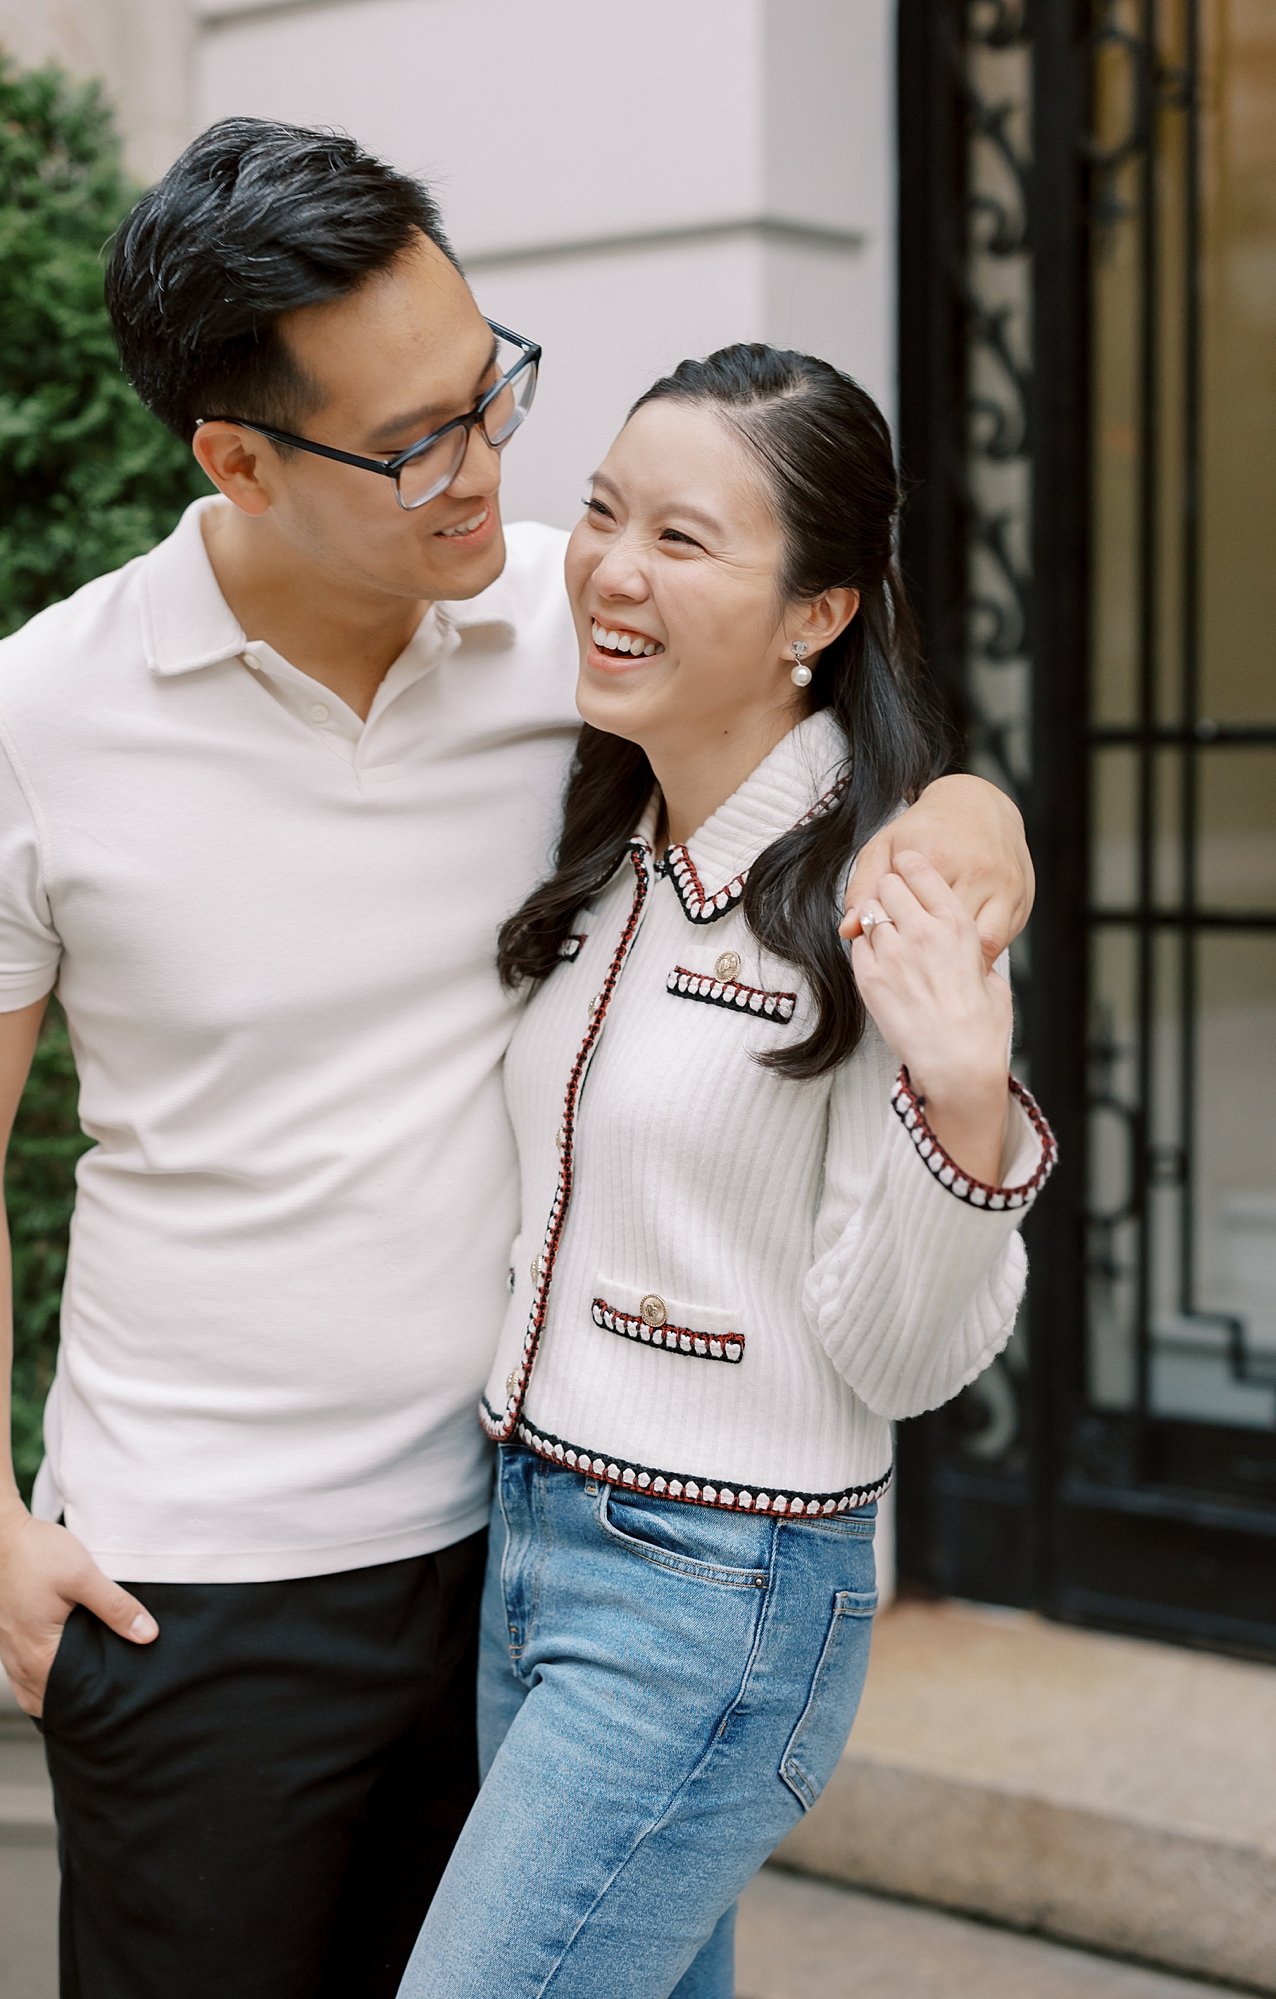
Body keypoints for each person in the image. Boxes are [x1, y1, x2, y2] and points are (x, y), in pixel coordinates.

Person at [0, 121, 1035, 1999]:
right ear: (234, 459)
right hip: (200, 1583)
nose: (488, 472)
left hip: (529, 1544)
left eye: (492, 390)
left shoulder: (576, 624)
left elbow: (842, 692)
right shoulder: (23, 729)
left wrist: (977, 834)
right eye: (416, 440)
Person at [396, 347, 1058, 1999]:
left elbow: (905, 1358)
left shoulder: (884, 900)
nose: (613, 567)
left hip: (718, 1599)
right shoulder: (619, 837)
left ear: (815, 614)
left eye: (685, 541)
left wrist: (967, 1109)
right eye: (606, 510)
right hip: (530, 1544)